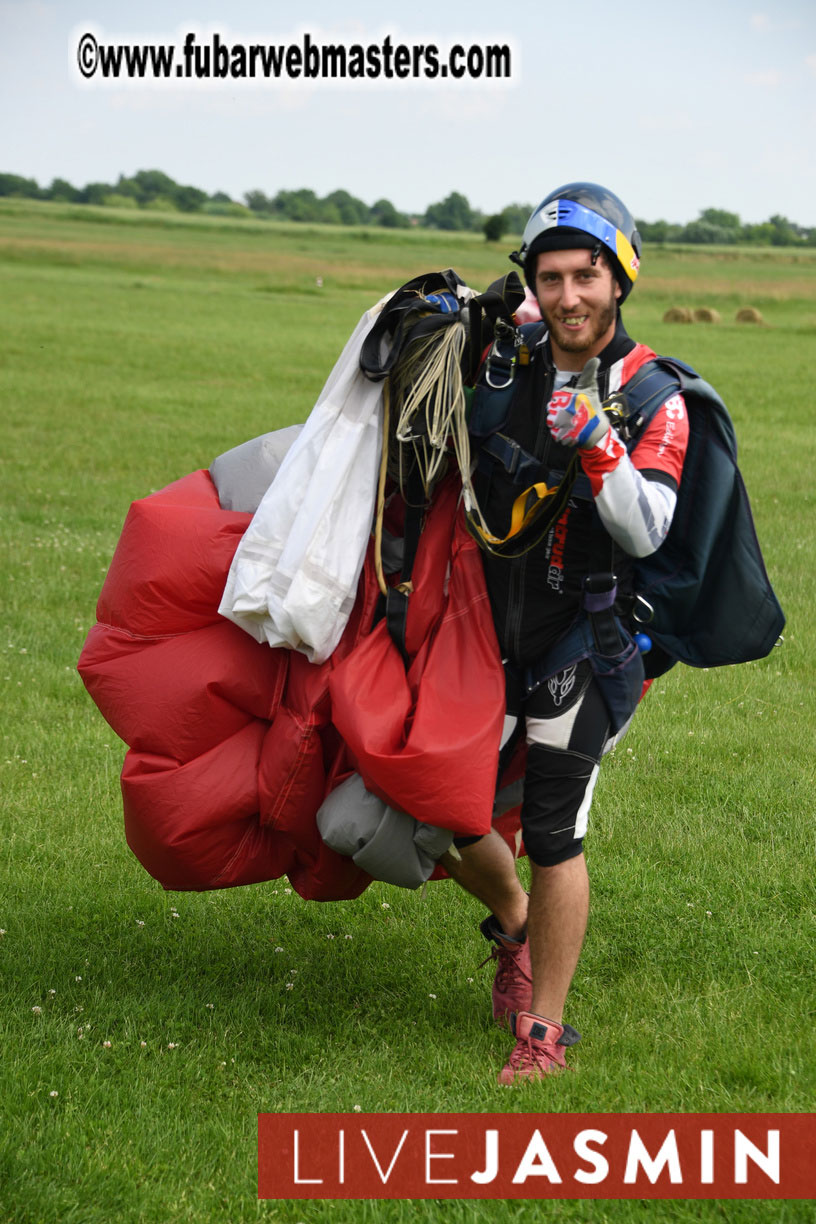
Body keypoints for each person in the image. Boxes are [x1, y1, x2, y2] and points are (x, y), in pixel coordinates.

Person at [439, 182, 690, 1084]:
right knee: (435, 805)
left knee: (554, 825)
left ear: (619, 279)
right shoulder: (513, 354)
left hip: (586, 640)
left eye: (587, 276)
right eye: (551, 279)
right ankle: (514, 925)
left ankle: (544, 1034)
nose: (569, 297)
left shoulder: (655, 396)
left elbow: (647, 530)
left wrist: (599, 444)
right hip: (487, 631)